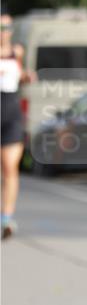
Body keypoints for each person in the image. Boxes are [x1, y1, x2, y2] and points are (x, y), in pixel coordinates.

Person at [1, 13, 35, 239]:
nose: (4, 31)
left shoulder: (18, 53)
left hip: (11, 112)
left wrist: (26, 77)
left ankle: (6, 218)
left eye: (7, 27)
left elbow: (18, 76)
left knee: (10, 168)